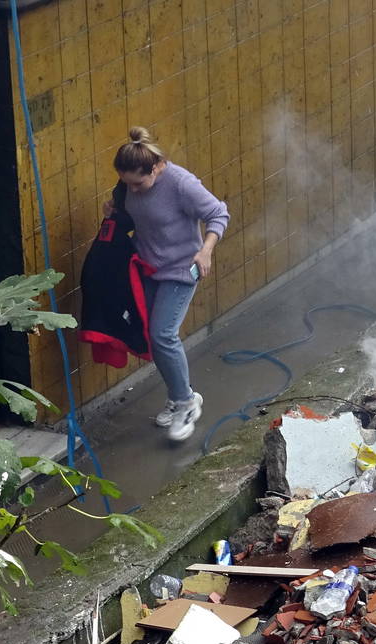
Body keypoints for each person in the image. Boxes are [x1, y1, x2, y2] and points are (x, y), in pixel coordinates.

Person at [104, 127, 230, 441]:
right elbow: (135, 215)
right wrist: (114, 211)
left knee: (163, 334)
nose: (133, 189)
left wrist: (206, 250)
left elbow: (218, 214)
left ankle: (186, 403)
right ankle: (178, 395)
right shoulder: (129, 186)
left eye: (138, 183)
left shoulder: (181, 184)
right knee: (153, 335)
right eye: (127, 183)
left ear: (156, 168)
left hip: (182, 268)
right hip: (148, 267)